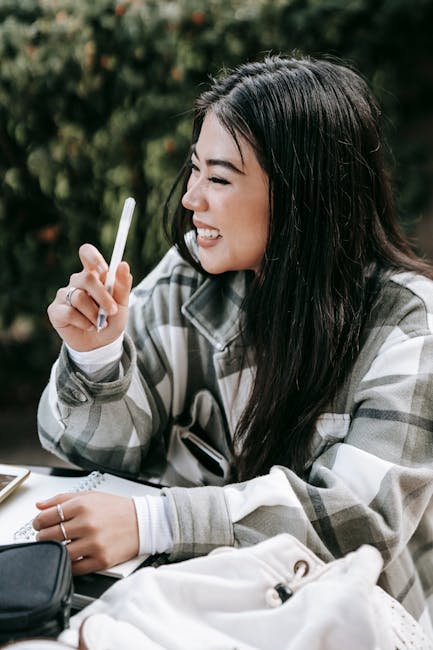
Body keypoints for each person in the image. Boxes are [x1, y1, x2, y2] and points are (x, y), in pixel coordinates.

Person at [35, 55, 433, 636]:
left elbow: (359, 519)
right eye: (194, 170)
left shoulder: (408, 323)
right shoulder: (188, 280)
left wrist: (155, 520)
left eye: (219, 178)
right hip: (184, 612)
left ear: (305, 195)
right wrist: (98, 356)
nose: (191, 198)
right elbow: (93, 454)